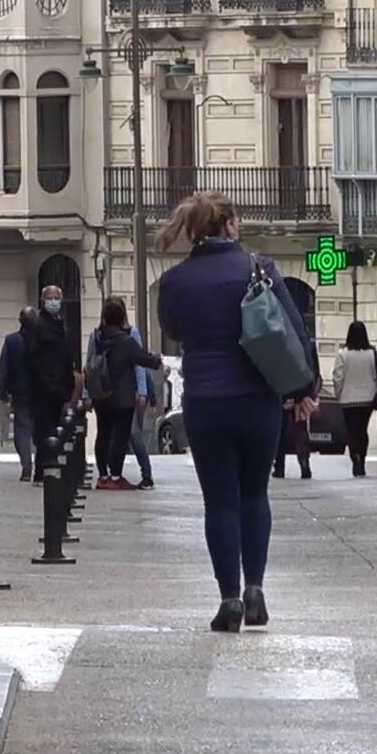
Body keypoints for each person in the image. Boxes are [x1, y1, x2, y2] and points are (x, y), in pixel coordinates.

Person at [156, 192, 315, 633]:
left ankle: (228, 600)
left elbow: (172, 330)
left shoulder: (175, 281)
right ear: (227, 224)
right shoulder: (258, 269)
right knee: (254, 495)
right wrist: (304, 388)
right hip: (256, 399)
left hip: (205, 402)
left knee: (219, 502)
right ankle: (256, 588)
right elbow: (293, 329)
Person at [87, 298, 163, 490]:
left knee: (103, 434)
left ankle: (102, 476)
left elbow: (89, 364)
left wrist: (88, 393)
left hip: (101, 395)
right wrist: (156, 358)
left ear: (104, 316)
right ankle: (115, 476)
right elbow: (145, 361)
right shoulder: (127, 340)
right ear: (122, 317)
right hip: (122, 397)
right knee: (120, 437)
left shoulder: (96, 337)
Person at [26, 286, 77, 481]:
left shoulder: (60, 324)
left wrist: (68, 384)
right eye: (50, 298)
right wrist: (47, 381)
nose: (54, 301)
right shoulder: (38, 325)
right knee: (45, 430)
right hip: (44, 388)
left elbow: (65, 355)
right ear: (42, 301)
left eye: (57, 298)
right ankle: (42, 471)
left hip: (58, 388)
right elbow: (33, 358)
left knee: (53, 429)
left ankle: (47, 470)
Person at [333, 321, 377, 479]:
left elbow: (338, 377)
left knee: (351, 432)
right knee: (362, 430)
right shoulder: (372, 353)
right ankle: (362, 459)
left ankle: (355, 459)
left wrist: (338, 394)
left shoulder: (343, 354)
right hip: (367, 399)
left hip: (348, 400)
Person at [0, 308, 37, 480]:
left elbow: (3, 369)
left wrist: (3, 392)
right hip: (41, 392)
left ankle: (26, 465)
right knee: (40, 429)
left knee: (22, 430)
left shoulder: (12, 341)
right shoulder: (44, 339)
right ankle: (42, 466)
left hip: (20, 392)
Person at [274, 340, 321, 481]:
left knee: (280, 429)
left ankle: (279, 466)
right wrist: (311, 393)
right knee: (300, 427)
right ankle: (304, 463)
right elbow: (314, 370)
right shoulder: (307, 343)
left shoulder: (279, 338)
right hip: (302, 386)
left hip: (282, 388)